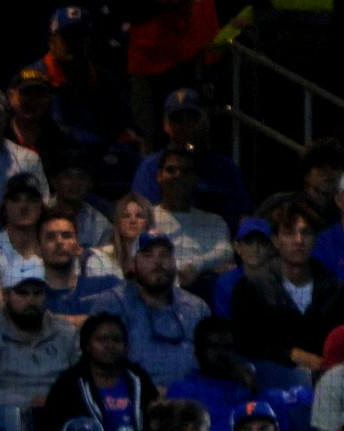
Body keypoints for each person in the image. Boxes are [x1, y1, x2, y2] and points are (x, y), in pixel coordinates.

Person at [231, 203, 344, 376]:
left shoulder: (334, 288)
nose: (299, 240)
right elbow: (244, 342)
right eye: (289, 233)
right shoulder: (252, 287)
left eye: (306, 233)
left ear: (315, 239)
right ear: (275, 241)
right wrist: (291, 354)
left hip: (324, 380)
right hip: (269, 381)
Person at [92, 231, 207, 389]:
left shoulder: (197, 307)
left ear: (174, 262)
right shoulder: (111, 304)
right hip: (133, 399)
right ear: (132, 263)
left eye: (164, 255)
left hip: (191, 399)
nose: (158, 262)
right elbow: (98, 368)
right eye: (148, 255)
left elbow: (213, 358)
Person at [0, 258, 76, 411]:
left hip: (62, 415)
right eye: (22, 293)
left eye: (37, 293)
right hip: (6, 422)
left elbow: (84, 382)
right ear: (6, 295)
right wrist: (28, 402)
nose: (31, 300)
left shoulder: (66, 333)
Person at [131, 89, 251, 222]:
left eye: (192, 118)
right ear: (166, 125)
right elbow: (142, 216)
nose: (185, 125)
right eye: (177, 119)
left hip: (215, 237)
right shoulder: (150, 167)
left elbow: (242, 216)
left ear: (204, 121)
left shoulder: (225, 168)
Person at [37, 314, 158, 431]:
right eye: (101, 340)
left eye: (116, 340)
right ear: (87, 345)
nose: (110, 345)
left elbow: (158, 424)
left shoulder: (139, 379)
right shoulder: (69, 385)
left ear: (126, 347)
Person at [167, 318, 264, 431]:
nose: (222, 354)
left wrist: (254, 390)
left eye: (228, 347)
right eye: (214, 347)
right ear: (198, 352)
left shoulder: (246, 386)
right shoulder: (182, 392)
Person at [151, 147, 232, 286]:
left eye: (186, 171)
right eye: (171, 170)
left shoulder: (213, 221)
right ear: (159, 175)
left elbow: (226, 252)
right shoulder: (143, 217)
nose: (178, 175)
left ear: (196, 180)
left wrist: (196, 265)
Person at [34, 206, 121, 322]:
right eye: (50, 237)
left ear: (79, 247)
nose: (59, 242)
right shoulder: (30, 295)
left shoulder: (107, 287)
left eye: (66, 236)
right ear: (38, 249)